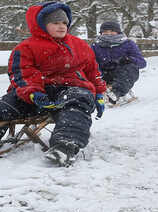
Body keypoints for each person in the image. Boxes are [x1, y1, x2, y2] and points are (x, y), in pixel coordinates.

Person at [0, 2, 106, 165]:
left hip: (70, 88)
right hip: (34, 93)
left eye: (64, 22)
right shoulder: (27, 47)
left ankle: (65, 145)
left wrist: (98, 93)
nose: (61, 26)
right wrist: (33, 92)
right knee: (7, 105)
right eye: (55, 23)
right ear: (42, 25)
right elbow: (22, 73)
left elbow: (93, 71)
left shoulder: (79, 45)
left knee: (78, 102)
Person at [91, 21, 146, 104]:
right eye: (105, 31)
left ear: (118, 32)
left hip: (123, 74)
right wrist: (99, 75)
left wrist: (129, 59)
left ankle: (115, 93)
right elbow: (91, 63)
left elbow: (142, 63)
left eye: (112, 31)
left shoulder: (128, 44)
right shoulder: (95, 46)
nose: (108, 34)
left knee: (130, 68)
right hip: (103, 74)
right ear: (101, 33)